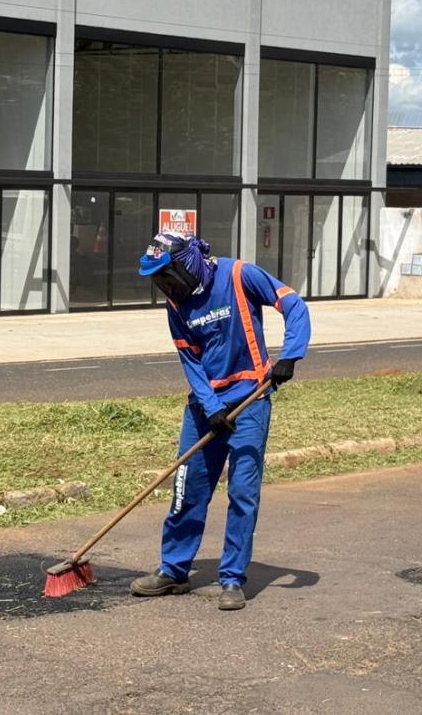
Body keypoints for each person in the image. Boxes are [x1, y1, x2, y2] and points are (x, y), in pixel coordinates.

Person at [128, 231, 311, 611]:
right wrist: (210, 406)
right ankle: (173, 570)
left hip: (250, 401)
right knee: (187, 489)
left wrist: (290, 355)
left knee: (242, 492)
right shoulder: (175, 305)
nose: (164, 287)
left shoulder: (240, 275)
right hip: (205, 408)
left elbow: (293, 305)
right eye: (157, 280)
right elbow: (190, 360)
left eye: (167, 276)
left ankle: (231, 579)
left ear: (188, 265)